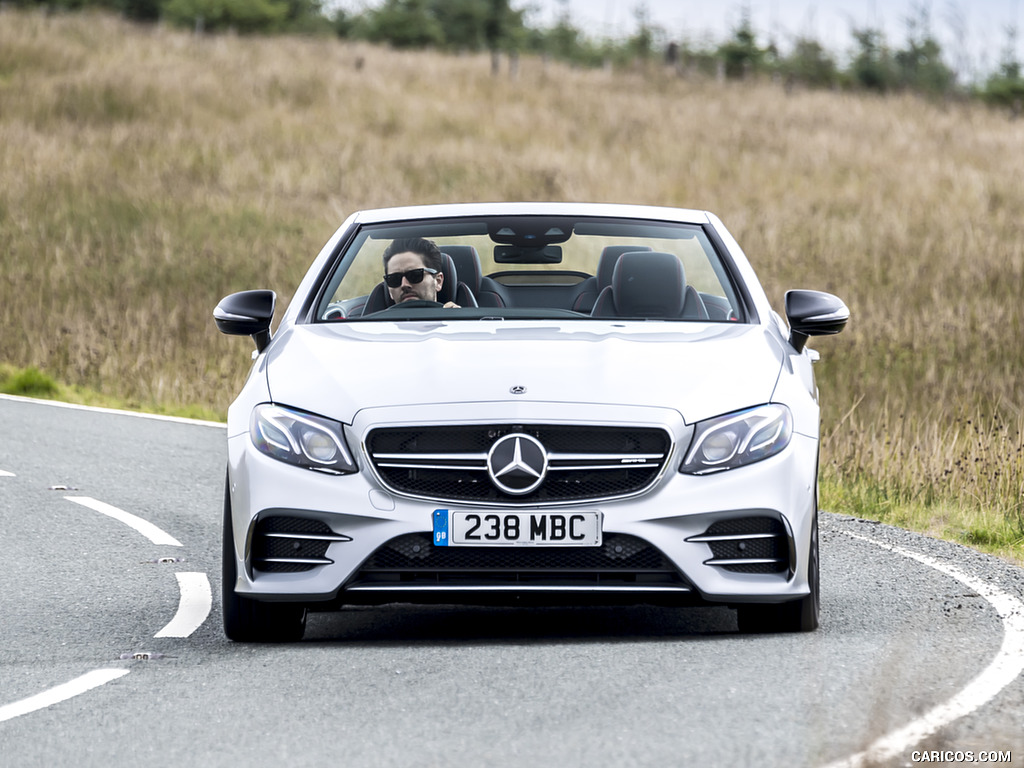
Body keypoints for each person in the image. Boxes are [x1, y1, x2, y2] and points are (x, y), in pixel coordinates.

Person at [382, 237, 459, 307]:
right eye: (394, 279)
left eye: (415, 275)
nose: (404, 285)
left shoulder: (460, 321)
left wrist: (457, 320)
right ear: (389, 290)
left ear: (438, 281)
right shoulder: (374, 322)